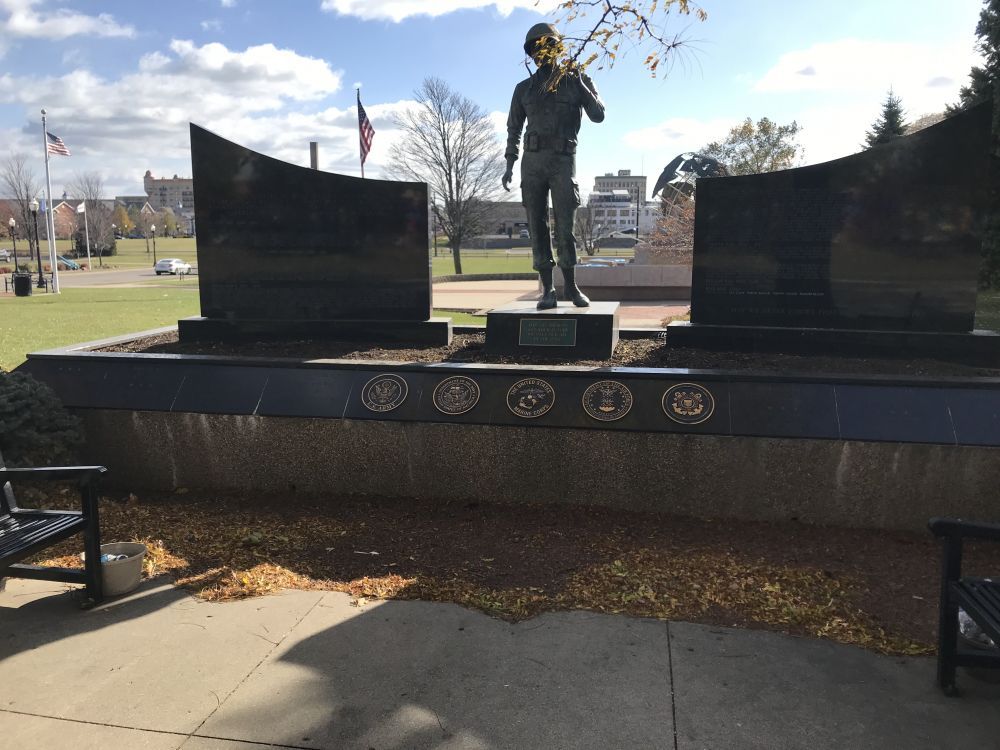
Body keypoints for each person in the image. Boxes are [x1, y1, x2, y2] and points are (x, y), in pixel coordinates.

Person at [502, 23, 605, 309]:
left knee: (564, 227)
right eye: (535, 48)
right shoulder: (523, 89)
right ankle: (547, 290)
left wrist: (581, 83)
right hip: (532, 162)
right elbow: (513, 129)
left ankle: (570, 288)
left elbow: (598, 115)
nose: (541, 53)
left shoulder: (577, 81)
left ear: (558, 48)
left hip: (562, 161)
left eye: (546, 46)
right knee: (537, 225)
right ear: (531, 54)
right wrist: (509, 163)